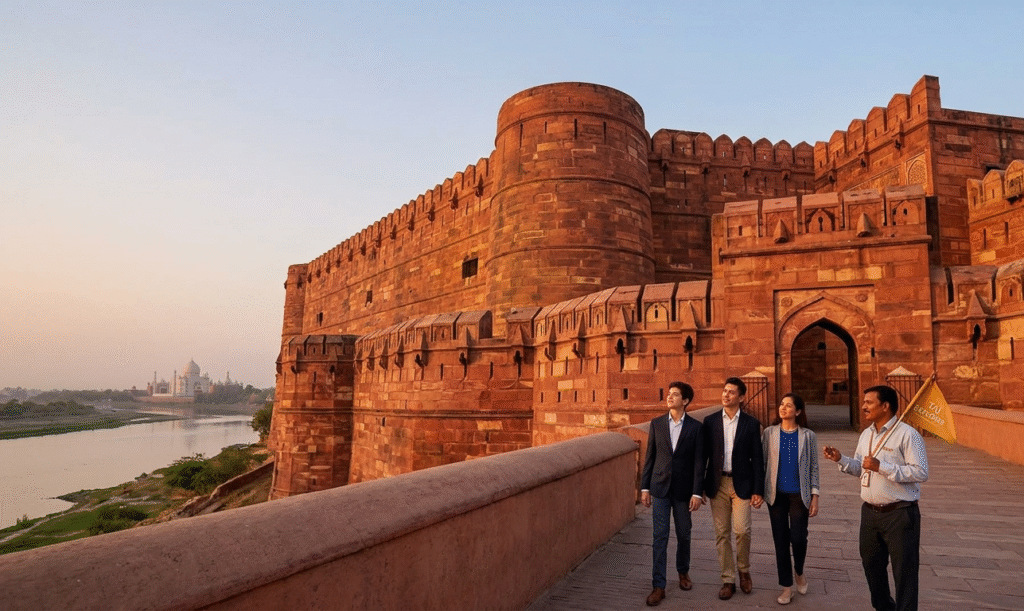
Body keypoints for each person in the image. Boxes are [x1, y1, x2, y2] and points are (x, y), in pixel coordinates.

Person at [823, 385, 929, 611]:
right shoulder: (867, 434)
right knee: (872, 567)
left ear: (885, 406)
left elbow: (921, 472)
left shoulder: (908, 435)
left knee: (905, 573)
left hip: (900, 513)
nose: (863, 406)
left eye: (869, 402)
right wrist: (841, 459)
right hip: (870, 513)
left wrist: (883, 467)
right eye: (864, 402)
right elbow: (862, 468)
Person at [640, 381, 704, 606]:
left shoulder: (696, 428)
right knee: (660, 536)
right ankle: (659, 585)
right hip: (659, 487)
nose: (670, 397)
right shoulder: (656, 424)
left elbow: (699, 463)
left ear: (685, 401)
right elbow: (650, 457)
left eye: (675, 395)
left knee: (684, 533)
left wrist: (697, 492)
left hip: (684, 491)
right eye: (669, 394)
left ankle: (683, 571)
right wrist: (644, 487)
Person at [703, 377, 765, 600]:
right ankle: (728, 579)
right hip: (717, 483)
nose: (726, 394)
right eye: (724, 390)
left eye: (731, 392)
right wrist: (698, 488)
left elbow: (757, 459)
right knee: (722, 534)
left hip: (743, 484)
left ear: (741, 397)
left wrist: (759, 489)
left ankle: (744, 569)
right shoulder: (710, 422)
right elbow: (703, 457)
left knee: (742, 530)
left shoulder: (750, 423)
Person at [762, 393, 819, 605]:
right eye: (781, 404)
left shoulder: (808, 436)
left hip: (799, 494)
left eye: (789, 406)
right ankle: (786, 587)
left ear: (798, 411)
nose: (783, 408)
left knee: (798, 538)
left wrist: (815, 496)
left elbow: (814, 467)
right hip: (775, 495)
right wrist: (758, 491)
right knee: (780, 542)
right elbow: (762, 463)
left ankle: (799, 571)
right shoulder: (769, 433)